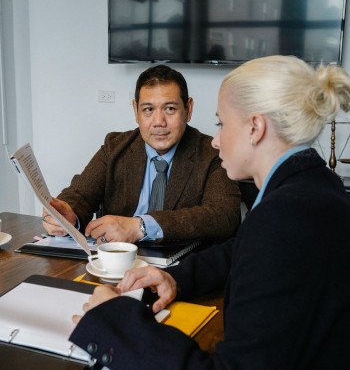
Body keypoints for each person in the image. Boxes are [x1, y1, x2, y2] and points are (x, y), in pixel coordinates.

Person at [70, 55, 350, 370]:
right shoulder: (313, 188)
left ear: (254, 128)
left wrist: (115, 322)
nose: (216, 139)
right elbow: (242, 249)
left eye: (222, 123)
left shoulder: (281, 222)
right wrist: (176, 279)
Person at [41, 65, 240, 244]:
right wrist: (68, 216)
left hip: (181, 269)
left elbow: (224, 216)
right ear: (136, 111)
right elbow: (80, 195)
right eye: (148, 109)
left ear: (188, 109)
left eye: (169, 109)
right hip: (117, 264)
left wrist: (141, 226)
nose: (159, 121)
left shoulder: (212, 153)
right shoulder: (115, 147)